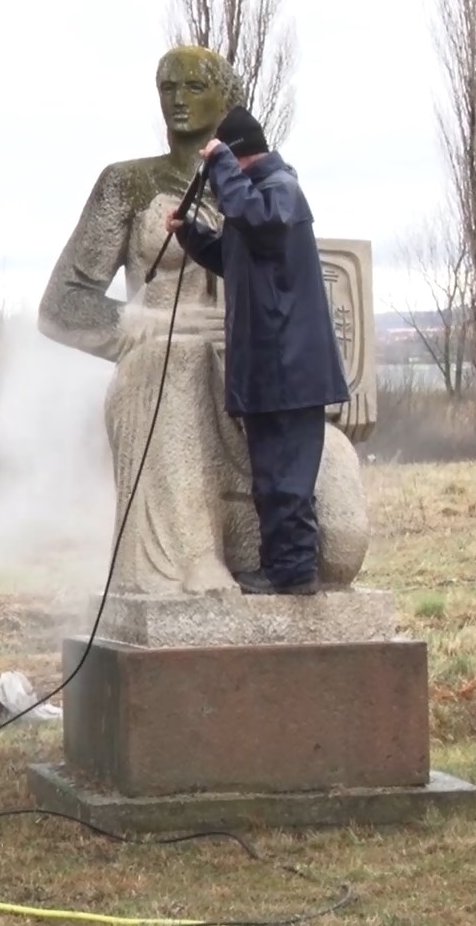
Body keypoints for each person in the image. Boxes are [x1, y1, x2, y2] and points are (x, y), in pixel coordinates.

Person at [167, 105, 349, 595]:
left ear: (239, 155)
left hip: (293, 368)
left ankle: (293, 573)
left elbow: (256, 219)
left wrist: (219, 163)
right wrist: (189, 234)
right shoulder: (257, 202)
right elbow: (235, 254)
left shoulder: (281, 192)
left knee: (288, 479)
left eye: (227, 162)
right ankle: (280, 569)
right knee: (270, 479)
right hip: (270, 369)